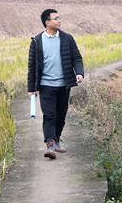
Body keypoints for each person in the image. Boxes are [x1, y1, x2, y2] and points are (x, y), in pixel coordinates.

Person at [27, 8, 85, 159]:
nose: (59, 21)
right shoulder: (36, 41)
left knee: (60, 116)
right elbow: (32, 66)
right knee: (49, 115)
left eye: (59, 18)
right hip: (46, 85)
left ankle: (57, 139)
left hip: (63, 84)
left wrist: (79, 73)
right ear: (47, 22)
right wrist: (31, 88)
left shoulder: (67, 39)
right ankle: (50, 144)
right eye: (56, 19)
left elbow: (77, 59)